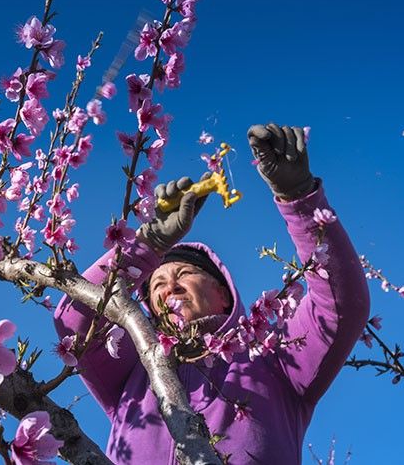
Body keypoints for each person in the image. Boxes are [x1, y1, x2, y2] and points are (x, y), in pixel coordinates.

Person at [54, 123, 370, 464]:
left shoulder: (274, 358)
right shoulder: (132, 371)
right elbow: (75, 318)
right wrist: (149, 243)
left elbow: (339, 306)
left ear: (224, 294)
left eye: (185, 274)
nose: (169, 286)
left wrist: (301, 199)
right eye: (156, 285)